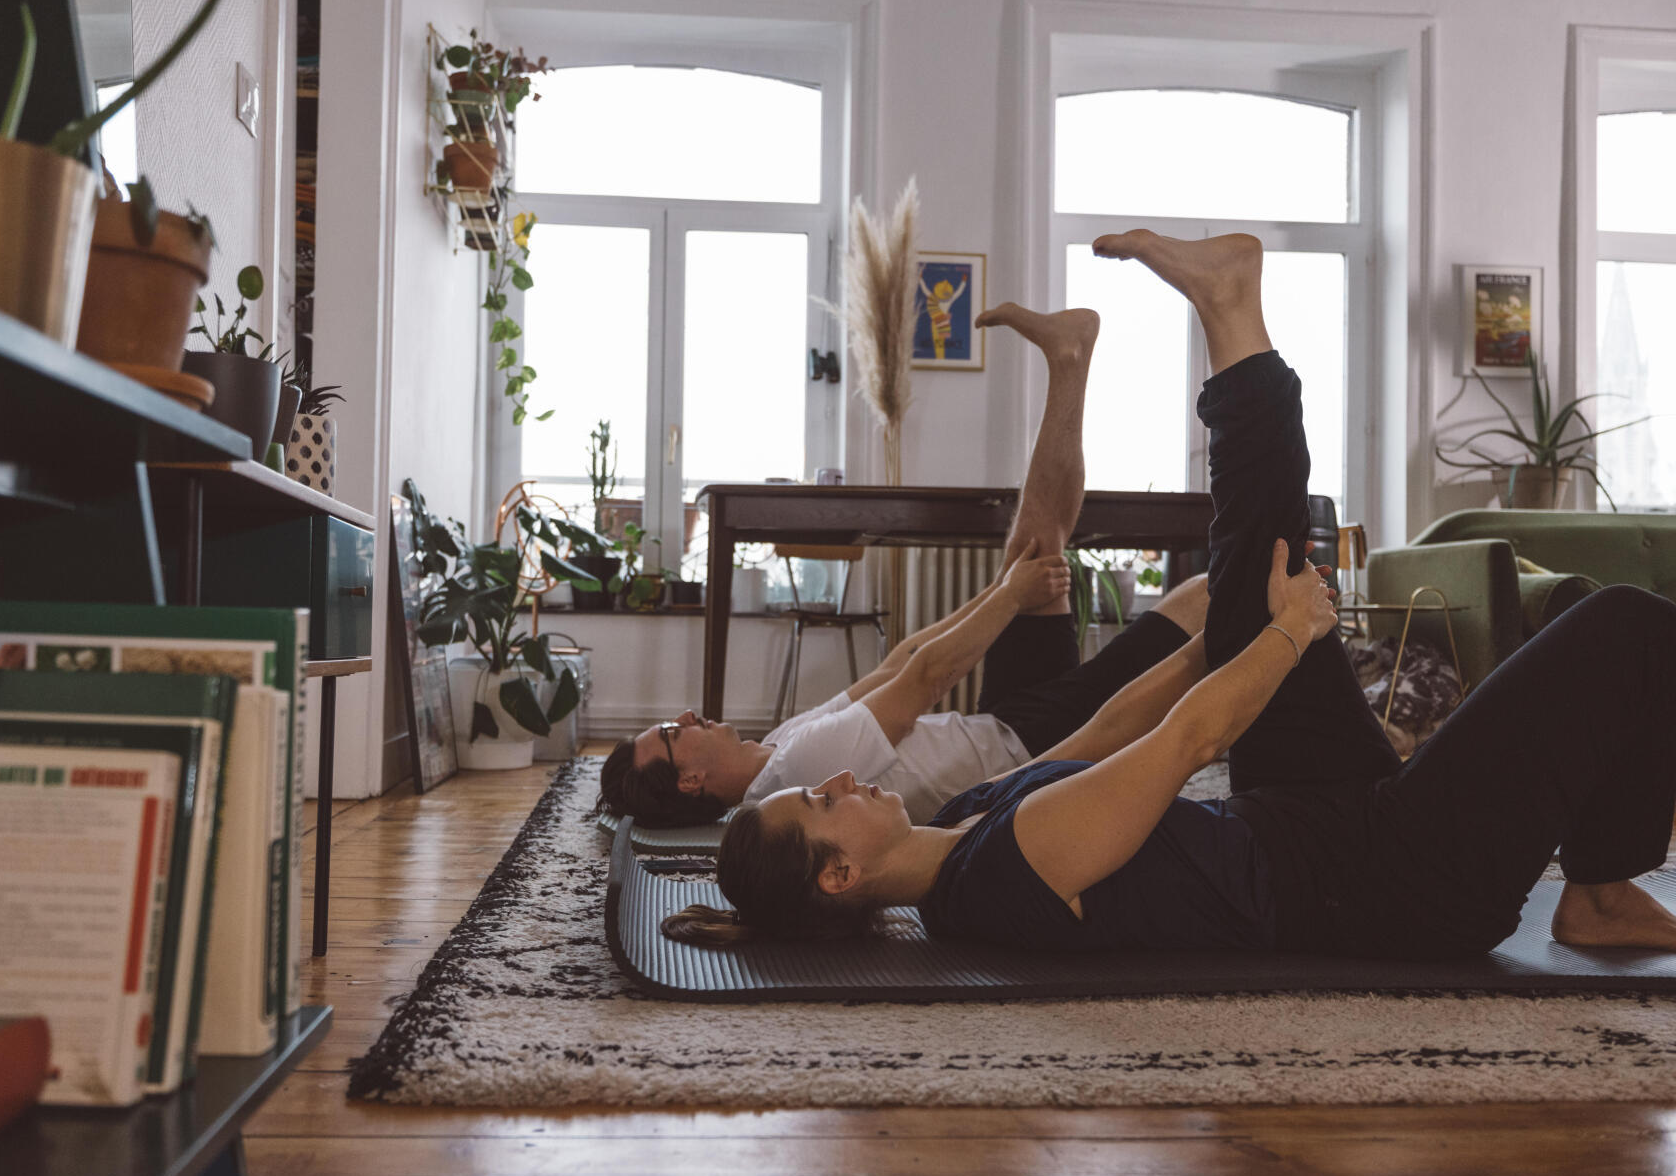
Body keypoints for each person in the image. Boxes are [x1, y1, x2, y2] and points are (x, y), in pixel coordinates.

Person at [669, 229, 1676, 960]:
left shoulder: (973, 817)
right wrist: (1280, 643)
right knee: (1627, 629)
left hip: (1305, 815)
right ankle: (1597, 890)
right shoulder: (1006, 868)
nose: (839, 782)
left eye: (818, 783)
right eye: (821, 803)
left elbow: (1103, 734)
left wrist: (1219, 640)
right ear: (839, 875)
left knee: (1251, 578)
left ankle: (1232, 311)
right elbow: (1183, 750)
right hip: (1388, 886)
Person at [600, 302, 1211, 829]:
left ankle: (1068, 357)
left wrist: (1008, 589)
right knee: (1197, 603)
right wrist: (1008, 598)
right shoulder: (798, 775)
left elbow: (897, 663)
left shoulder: (779, 746)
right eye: (674, 735)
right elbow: (924, 679)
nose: (685, 717)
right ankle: (1294, 596)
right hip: (1035, 749)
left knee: (1034, 544)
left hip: (1002, 721)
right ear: (691, 781)